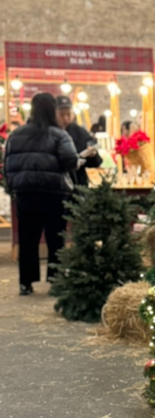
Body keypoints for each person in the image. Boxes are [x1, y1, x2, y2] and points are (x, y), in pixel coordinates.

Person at [4, 92, 80, 296]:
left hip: (25, 193)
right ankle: (56, 280)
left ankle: (26, 282)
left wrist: (13, 188)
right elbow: (70, 161)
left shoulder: (15, 135)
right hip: (54, 192)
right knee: (55, 237)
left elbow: (7, 164)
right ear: (52, 110)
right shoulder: (59, 135)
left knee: (27, 238)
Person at [55, 96, 102, 186]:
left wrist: (93, 155)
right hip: (57, 182)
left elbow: (96, 162)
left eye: (68, 114)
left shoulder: (80, 132)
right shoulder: (50, 133)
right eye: (61, 115)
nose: (66, 118)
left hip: (78, 182)